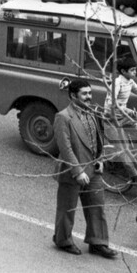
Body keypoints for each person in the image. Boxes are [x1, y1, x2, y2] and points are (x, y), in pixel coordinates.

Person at [52, 78, 117, 258]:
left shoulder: (93, 113)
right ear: (73, 96)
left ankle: (98, 242)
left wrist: (101, 159)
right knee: (68, 208)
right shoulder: (63, 117)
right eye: (85, 93)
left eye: (90, 93)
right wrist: (78, 170)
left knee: (97, 206)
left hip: (93, 168)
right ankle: (62, 240)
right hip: (72, 170)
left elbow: (99, 138)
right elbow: (65, 148)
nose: (89, 97)